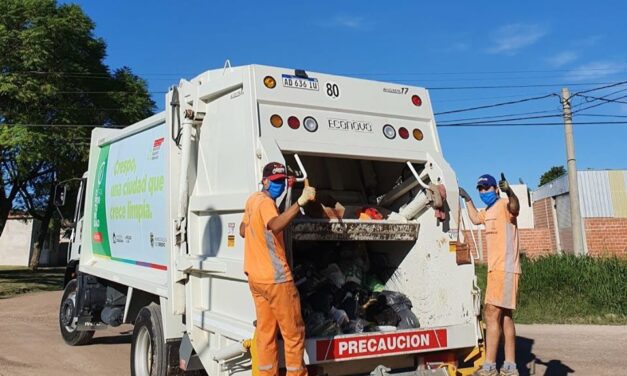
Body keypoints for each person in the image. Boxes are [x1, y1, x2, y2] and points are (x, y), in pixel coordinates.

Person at [239, 162, 316, 376]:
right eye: (275, 182)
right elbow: (275, 224)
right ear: (264, 181)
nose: (279, 185)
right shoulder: (266, 205)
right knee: (293, 334)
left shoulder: (253, 200)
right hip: (276, 279)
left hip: (256, 279)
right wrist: (300, 202)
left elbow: (243, 230)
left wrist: (290, 189)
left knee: (265, 333)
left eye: (282, 181)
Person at [460, 173, 521, 376]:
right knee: (505, 317)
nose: (483, 192)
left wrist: (510, 191)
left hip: (505, 268)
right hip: (496, 270)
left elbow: (515, 207)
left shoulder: (504, 204)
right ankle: (510, 366)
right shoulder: (488, 210)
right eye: (480, 189)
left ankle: (489, 366)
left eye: (486, 188)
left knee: (490, 313)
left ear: (496, 188)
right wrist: (467, 198)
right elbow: (476, 219)